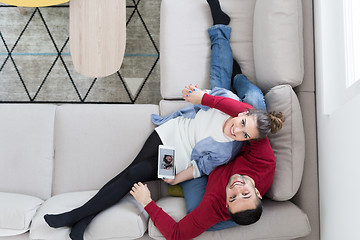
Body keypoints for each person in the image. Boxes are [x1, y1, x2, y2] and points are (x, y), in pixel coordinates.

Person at [43, 1, 284, 239]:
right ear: (257, 193)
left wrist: (151, 201)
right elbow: (245, 116)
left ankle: (79, 217)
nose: (237, 189)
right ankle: (237, 71)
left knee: (133, 173)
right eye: (245, 194)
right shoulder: (262, 161)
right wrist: (205, 98)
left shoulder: (216, 204)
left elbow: (181, 227)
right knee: (250, 98)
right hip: (200, 127)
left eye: (233, 198)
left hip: (186, 156)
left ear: (227, 206)